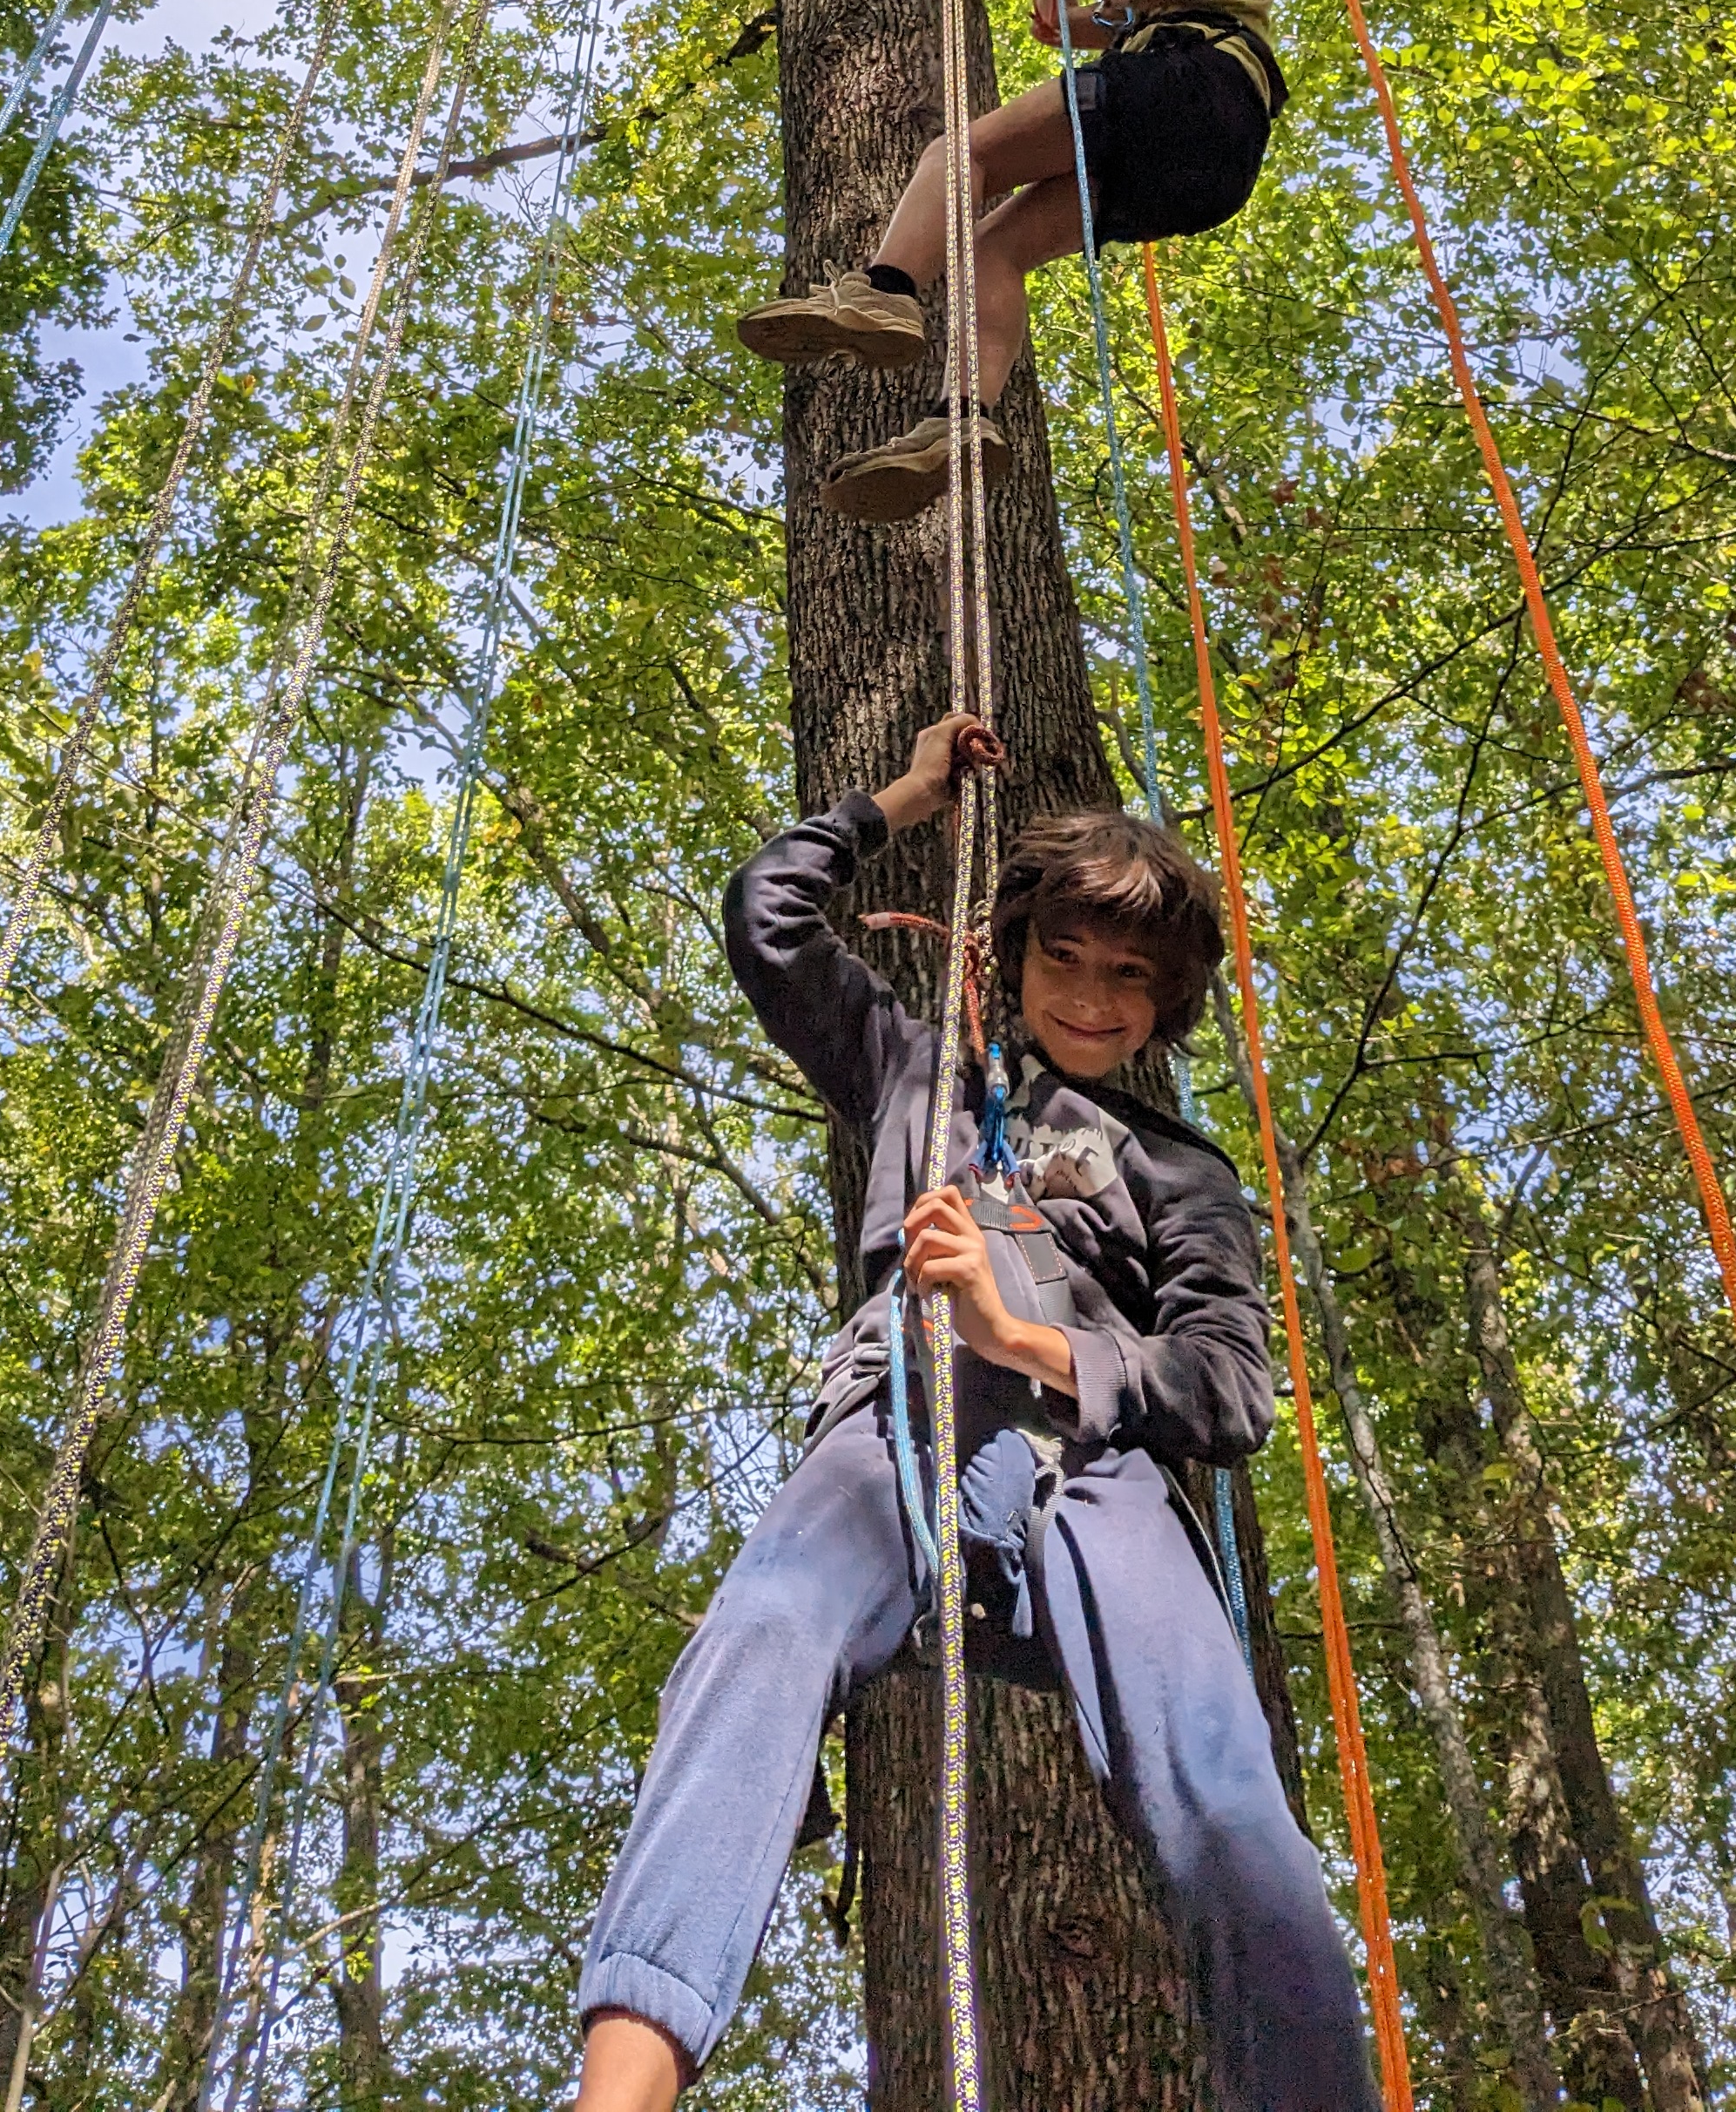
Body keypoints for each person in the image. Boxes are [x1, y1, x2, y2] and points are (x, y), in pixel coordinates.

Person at [571, 713, 1378, 2112]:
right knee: (759, 1636)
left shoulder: (1179, 1171)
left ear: (1165, 1005)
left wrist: (1031, 1340)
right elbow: (766, 917)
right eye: (1064, 955)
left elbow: (1230, 1388)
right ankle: (616, 2092)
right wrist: (903, 798)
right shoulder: (915, 1076)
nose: (1091, 995)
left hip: (1096, 1476)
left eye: (1130, 976)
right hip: (901, 1427)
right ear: (1013, 957)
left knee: (1223, 1786)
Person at [734, 0, 1287, 523]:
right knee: (990, 252)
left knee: (961, 154)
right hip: (1197, 165)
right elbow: (1059, 24)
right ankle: (960, 420)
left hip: (1192, 86)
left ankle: (884, 289)